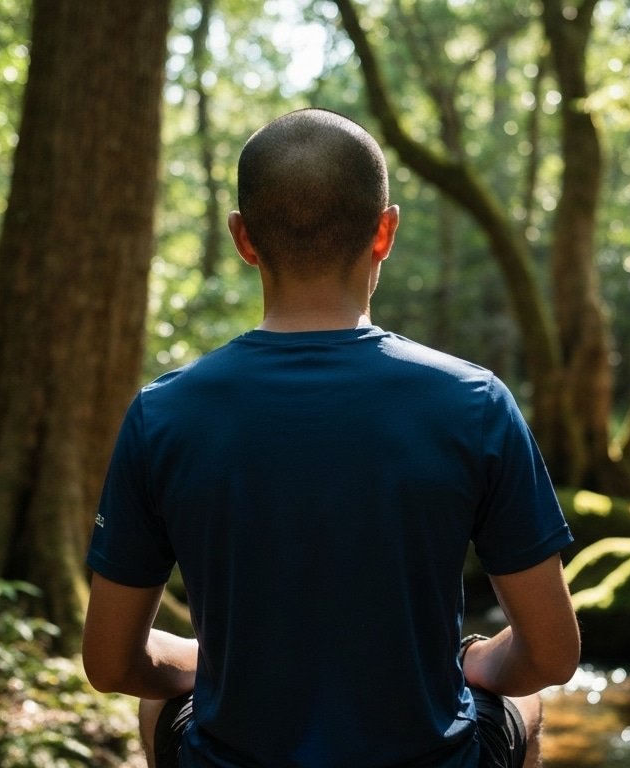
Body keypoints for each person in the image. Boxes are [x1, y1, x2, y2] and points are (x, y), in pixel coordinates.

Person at [81, 108, 580, 768]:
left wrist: (211, 664)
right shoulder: (474, 402)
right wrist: (475, 658)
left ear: (243, 238)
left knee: (158, 703)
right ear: (385, 231)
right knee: (528, 703)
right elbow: (551, 654)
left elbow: (112, 661)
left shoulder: (163, 413)